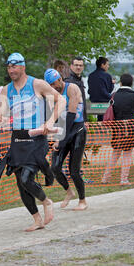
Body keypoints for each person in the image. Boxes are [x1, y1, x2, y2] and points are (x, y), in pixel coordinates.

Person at [0, 53, 66, 232]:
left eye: (15, 66)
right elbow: (3, 110)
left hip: (36, 139)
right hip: (18, 139)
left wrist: (50, 122)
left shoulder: (37, 84)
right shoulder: (6, 89)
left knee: (27, 178)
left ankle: (46, 201)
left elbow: (61, 100)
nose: (11, 70)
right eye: (9, 67)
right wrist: (1, 117)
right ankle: (37, 219)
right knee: (21, 183)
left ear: (23, 67)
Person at [44, 68, 88, 211]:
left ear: (59, 79)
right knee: (55, 167)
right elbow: (56, 117)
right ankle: (69, 191)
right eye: (49, 85)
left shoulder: (72, 88)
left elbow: (71, 115)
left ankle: (82, 200)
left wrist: (61, 139)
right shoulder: (53, 94)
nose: (52, 87)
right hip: (64, 130)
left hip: (77, 131)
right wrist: (56, 135)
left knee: (74, 170)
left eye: (53, 84)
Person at [101, 73, 134, 185]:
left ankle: (106, 177)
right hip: (131, 126)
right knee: (128, 153)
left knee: (115, 153)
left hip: (117, 127)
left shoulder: (114, 95)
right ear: (131, 83)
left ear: (121, 83)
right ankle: (124, 179)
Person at [87, 57, 113, 121]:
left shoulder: (91, 75)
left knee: (98, 119)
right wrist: (112, 83)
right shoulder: (107, 76)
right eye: (107, 64)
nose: (108, 66)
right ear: (102, 65)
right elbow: (109, 90)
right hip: (104, 102)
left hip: (93, 101)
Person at [65, 56, 88, 121]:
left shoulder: (80, 81)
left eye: (80, 65)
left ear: (83, 67)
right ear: (71, 66)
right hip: (73, 119)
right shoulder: (68, 82)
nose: (78, 67)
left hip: (82, 118)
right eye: (76, 65)